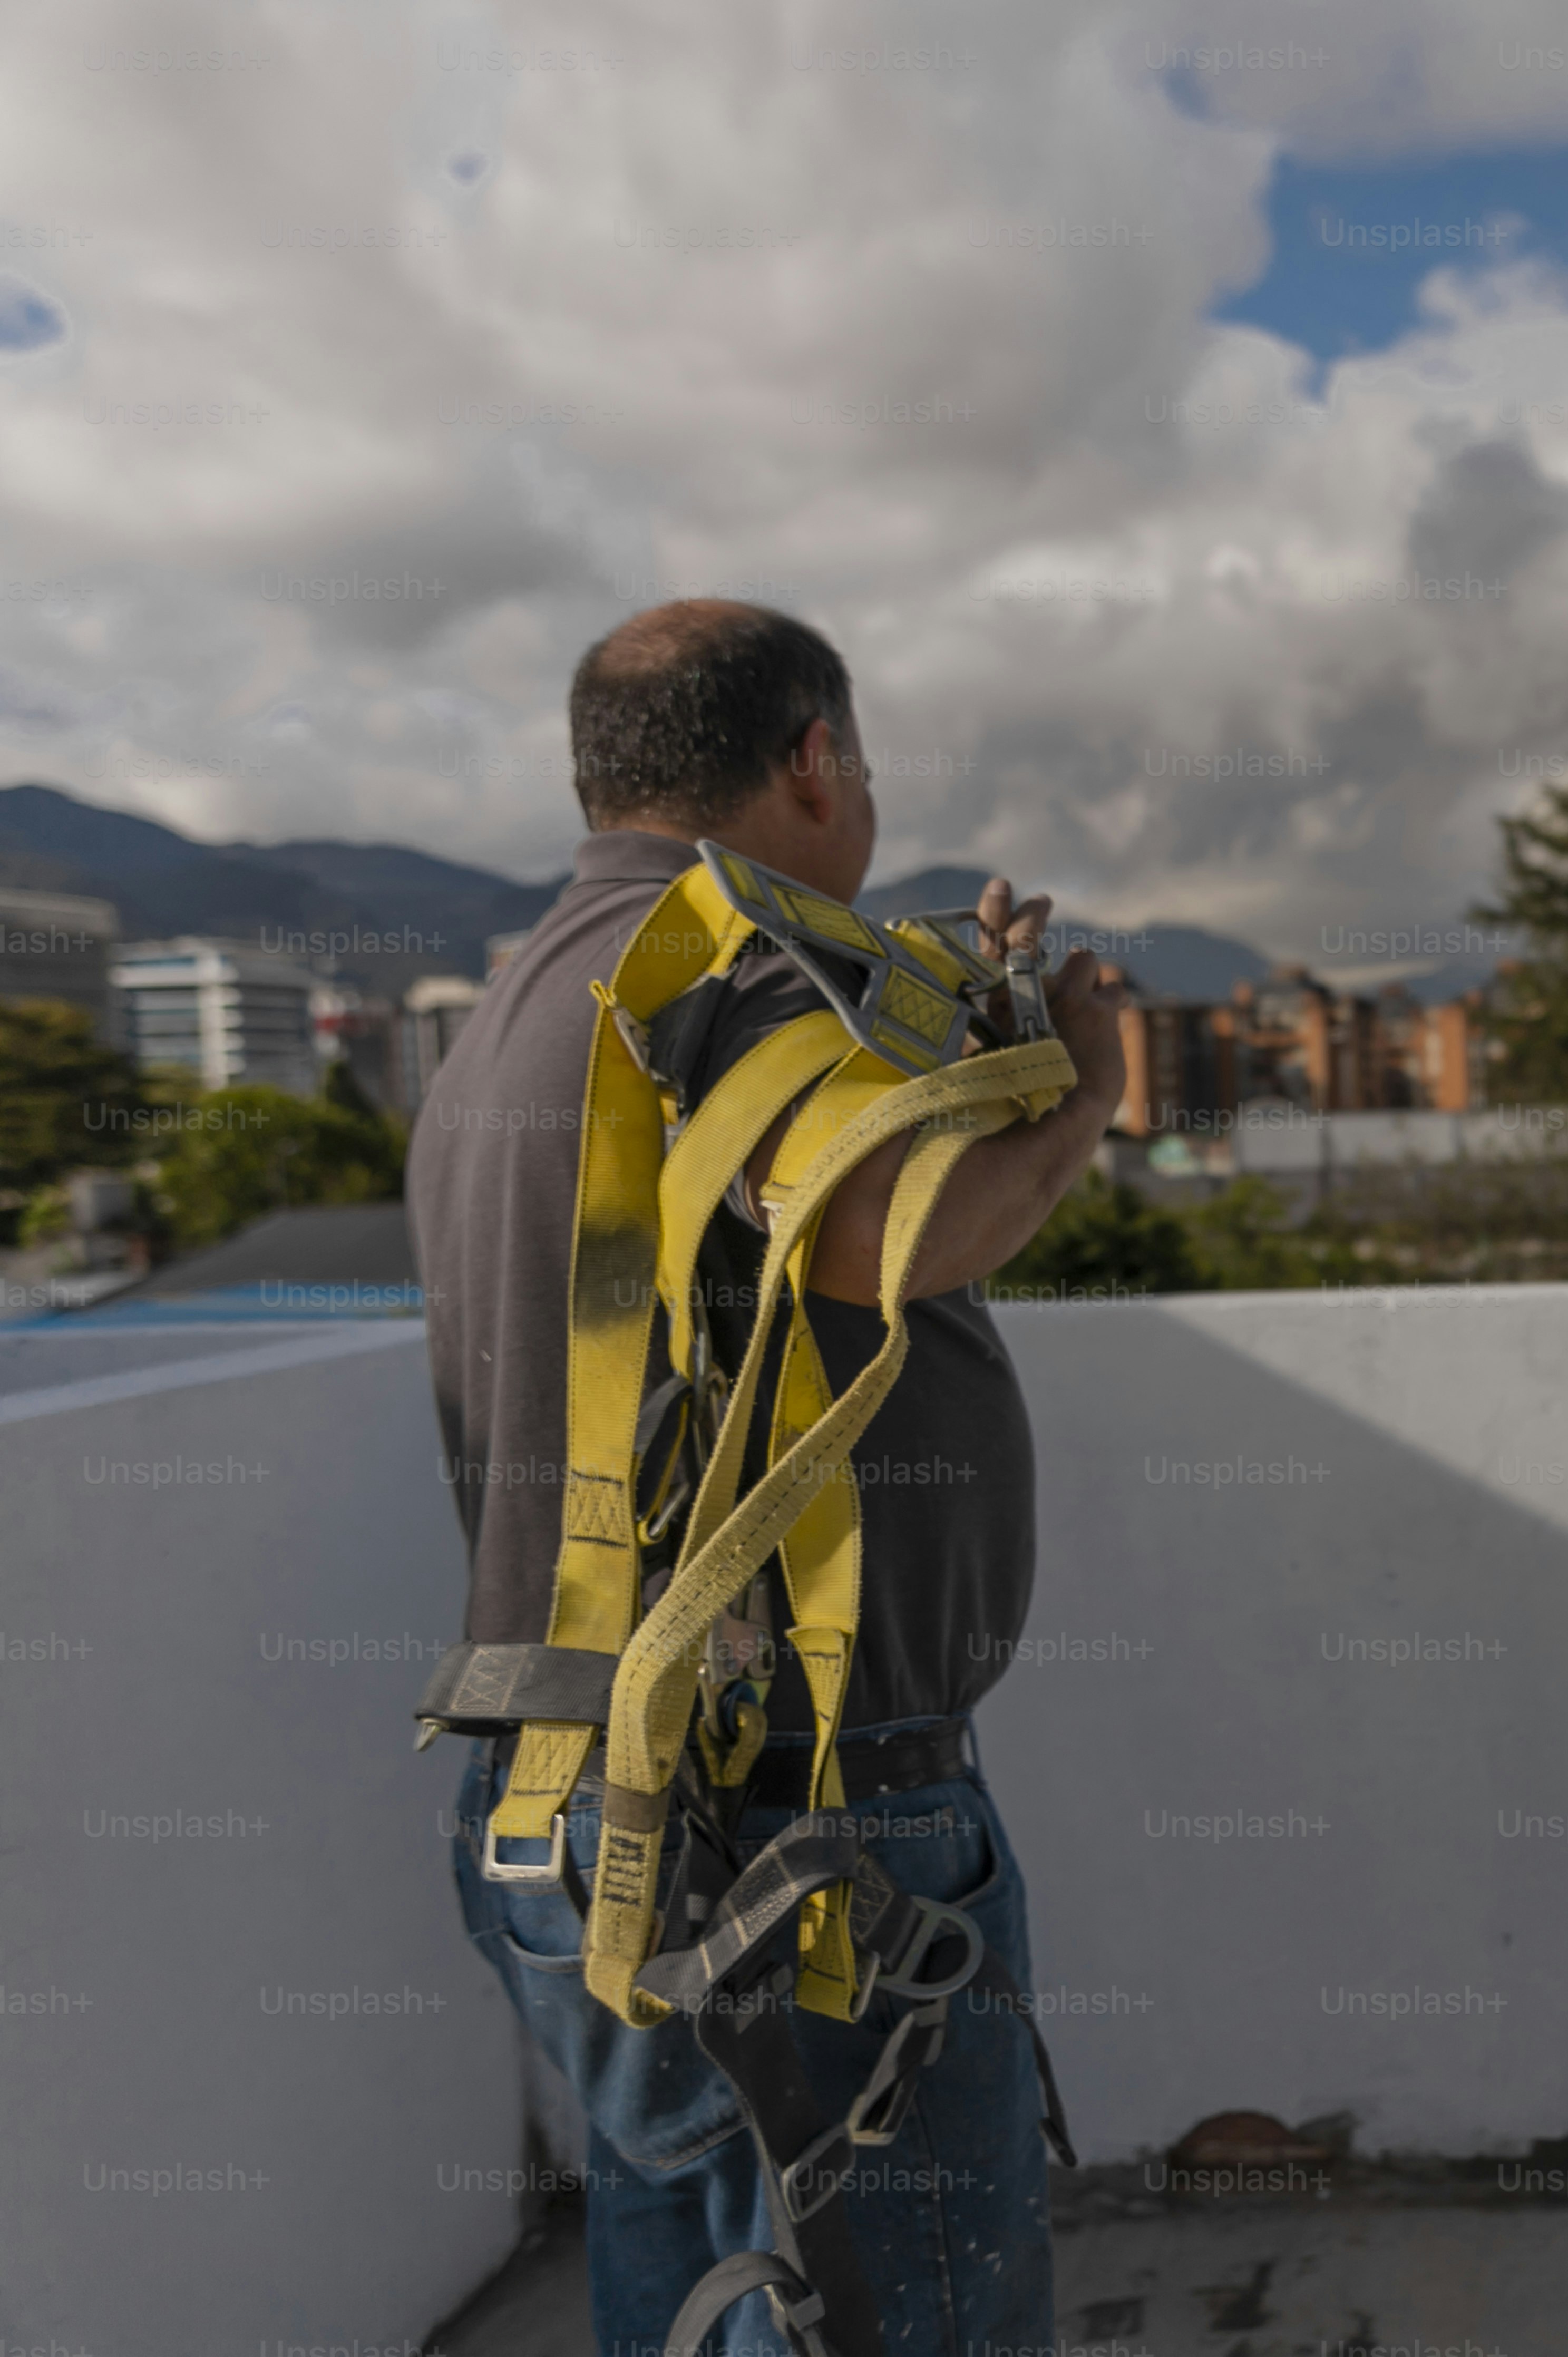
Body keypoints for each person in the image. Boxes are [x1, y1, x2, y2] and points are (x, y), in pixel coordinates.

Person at [412, 600, 1128, 2352]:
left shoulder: (525, 1003)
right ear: (812, 757)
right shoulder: (731, 965)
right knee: (909, 2312)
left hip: (571, 1799)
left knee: (711, 2287)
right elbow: (896, 1230)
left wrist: (941, 1036)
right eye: (858, 759)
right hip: (793, 1824)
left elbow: (736, 1263)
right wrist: (1093, 1083)